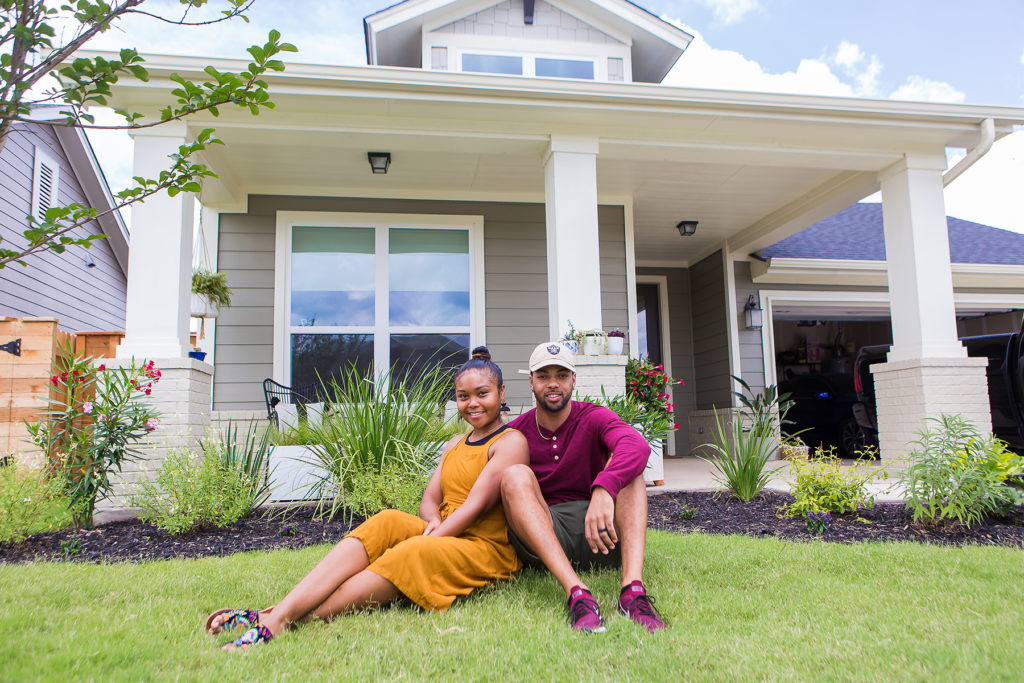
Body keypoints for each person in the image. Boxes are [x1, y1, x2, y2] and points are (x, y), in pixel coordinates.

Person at [206, 347, 528, 651]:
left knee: (412, 550)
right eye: (463, 396)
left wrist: (432, 538)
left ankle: (280, 618)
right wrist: (432, 521)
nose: (472, 403)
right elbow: (430, 498)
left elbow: (475, 506)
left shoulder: (510, 441)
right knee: (387, 519)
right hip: (445, 530)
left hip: (485, 548)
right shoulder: (455, 442)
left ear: (501, 393)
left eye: (482, 393)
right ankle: (281, 611)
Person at [501, 341, 665, 634]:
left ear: (573, 380)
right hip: (547, 538)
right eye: (543, 376)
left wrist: (603, 489)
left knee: (631, 470)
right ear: (531, 381)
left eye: (561, 375)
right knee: (514, 475)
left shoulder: (593, 416)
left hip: (603, 536)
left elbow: (636, 445)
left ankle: (633, 591)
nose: (553, 384)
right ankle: (577, 594)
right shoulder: (517, 432)